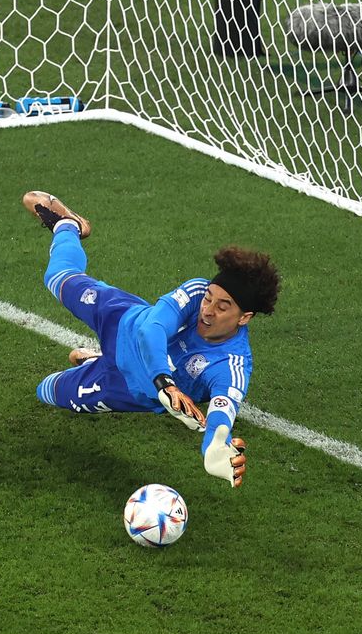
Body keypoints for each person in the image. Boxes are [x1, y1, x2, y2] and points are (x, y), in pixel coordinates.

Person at [23, 190, 280, 487]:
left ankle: (96, 362)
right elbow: (151, 329)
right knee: (57, 277)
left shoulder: (232, 367)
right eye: (210, 298)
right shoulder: (196, 292)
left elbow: (222, 416)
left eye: (223, 307)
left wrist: (213, 450)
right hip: (122, 320)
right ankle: (68, 225)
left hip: (128, 388)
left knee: (48, 391)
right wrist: (165, 382)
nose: (207, 311)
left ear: (244, 317)